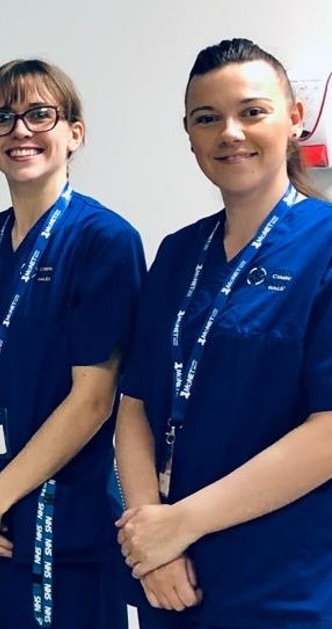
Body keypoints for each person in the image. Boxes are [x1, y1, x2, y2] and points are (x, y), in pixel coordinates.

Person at [114, 38, 332, 628]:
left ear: (294, 119)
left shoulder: (325, 244)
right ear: (190, 136)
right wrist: (150, 532)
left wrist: (180, 524)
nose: (229, 133)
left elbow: (329, 432)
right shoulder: (178, 253)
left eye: (251, 112)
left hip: (279, 582)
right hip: (170, 576)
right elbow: (135, 404)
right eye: (207, 119)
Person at [0, 59, 143, 629]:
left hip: (57, 524)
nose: (20, 131)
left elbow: (93, 399)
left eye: (39, 114)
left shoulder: (105, 242)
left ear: (74, 132)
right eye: (2, 118)